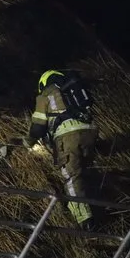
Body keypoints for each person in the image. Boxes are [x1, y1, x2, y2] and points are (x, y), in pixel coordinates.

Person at [23, 70, 98, 230]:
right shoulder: (72, 90)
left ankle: (85, 221)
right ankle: (90, 202)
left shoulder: (45, 96)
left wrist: (28, 142)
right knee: (83, 170)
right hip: (90, 132)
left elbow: (37, 128)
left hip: (68, 136)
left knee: (71, 176)